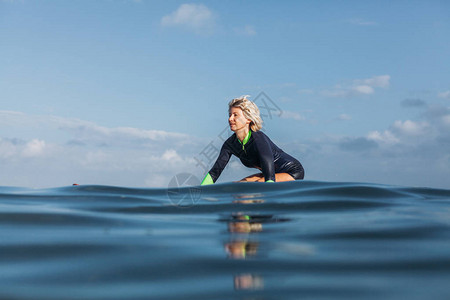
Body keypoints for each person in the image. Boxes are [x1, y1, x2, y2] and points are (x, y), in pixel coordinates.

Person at [201, 96, 304, 185]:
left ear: (248, 119)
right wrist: (201, 191)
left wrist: (269, 191)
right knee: (238, 186)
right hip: (269, 173)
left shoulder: (258, 139)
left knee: (257, 185)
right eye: (230, 115)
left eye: (235, 115)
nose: (230, 119)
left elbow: (269, 172)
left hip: (292, 171)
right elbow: (215, 172)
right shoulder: (230, 145)